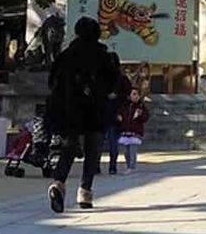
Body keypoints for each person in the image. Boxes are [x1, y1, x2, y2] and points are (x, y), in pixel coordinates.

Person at [43, 16, 121, 214]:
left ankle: (58, 182)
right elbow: (113, 83)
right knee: (92, 150)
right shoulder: (103, 56)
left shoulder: (65, 56)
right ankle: (85, 191)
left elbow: (52, 83)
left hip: (68, 109)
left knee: (69, 148)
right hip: (94, 109)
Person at [104, 56, 131, 176]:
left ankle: (97, 166)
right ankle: (112, 166)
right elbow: (128, 96)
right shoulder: (123, 79)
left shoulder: (103, 78)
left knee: (107, 140)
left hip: (107, 113)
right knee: (115, 141)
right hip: (119, 114)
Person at [115, 85, 149, 173]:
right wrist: (119, 119)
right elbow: (119, 115)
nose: (136, 96)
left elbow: (145, 117)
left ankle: (132, 166)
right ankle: (128, 165)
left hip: (135, 131)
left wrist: (139, 116)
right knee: (126, 151)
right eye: (133, 94)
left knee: (132, 150)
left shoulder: (141, 106)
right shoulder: (124, 106)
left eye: (137, 94)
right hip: (125, 130)